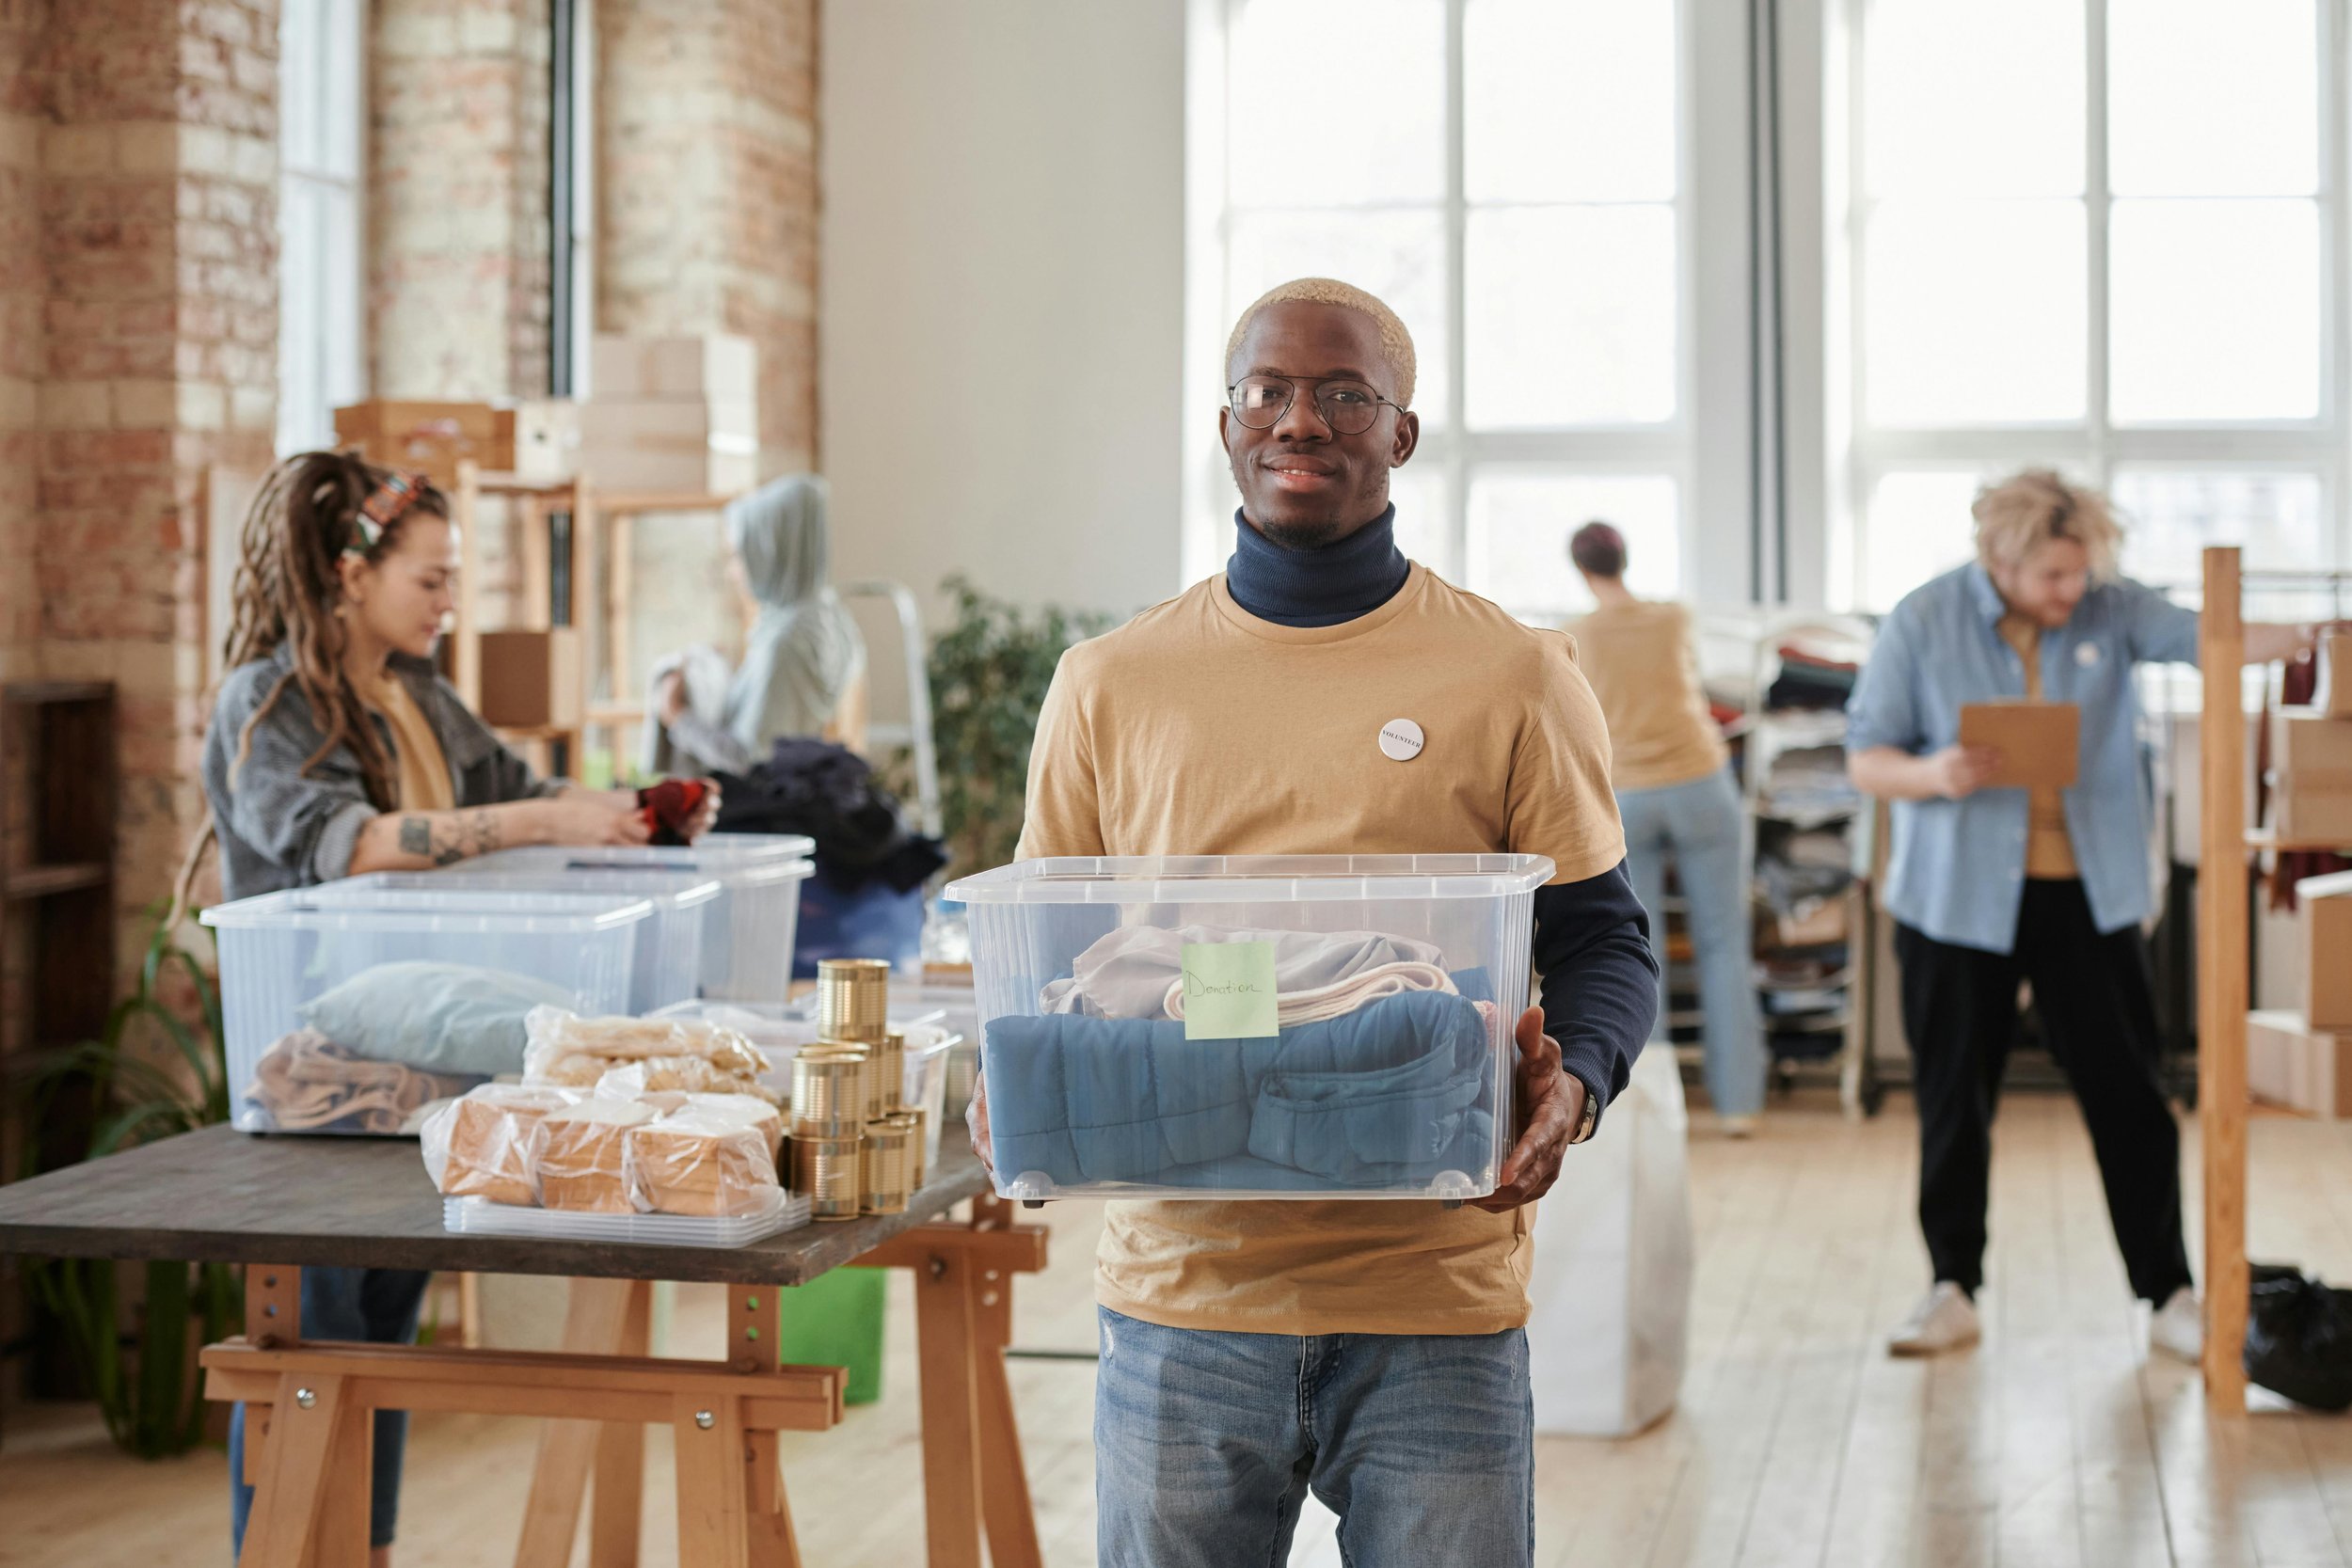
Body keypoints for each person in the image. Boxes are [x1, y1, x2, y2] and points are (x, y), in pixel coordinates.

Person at [967, 277, 1659, 1567]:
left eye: (1345, 393)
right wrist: (1000, 1078)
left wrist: (1582, 1087)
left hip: (1434, 1292)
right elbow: (1050, 959)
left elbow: (1604, 938)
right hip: (1185, 1288)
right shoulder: (1110, 681)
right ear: (1226, 421)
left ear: (1400, 433)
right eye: (1270, 390)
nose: (1302, 419)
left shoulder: (1515, 670)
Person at [190, 451, 716, 1567]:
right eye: (430, 579)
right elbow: (355, 848)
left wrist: (629, 812)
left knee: (382, 1331)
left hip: (414, 1071)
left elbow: (517, 794)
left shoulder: (415, 695)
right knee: (312, 1339)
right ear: (347, 575)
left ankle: (362, 1551)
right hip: (315, 1083)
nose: (449, 601)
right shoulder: (266, 706)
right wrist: (543, 824)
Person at [1846, 468, 2326, 1362]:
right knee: (1955, 1100)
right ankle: (1952, 1285)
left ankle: (2169, 1289)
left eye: (2080, 573)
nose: (2071, 591)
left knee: (2132, 1100)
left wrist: (2310, 635)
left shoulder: (2111, 607)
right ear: (2000, 557)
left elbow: (2208, 638)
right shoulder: (1922, 618)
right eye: (2052, 578)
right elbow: (1867, 755)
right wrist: (1934, 773)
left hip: (2087, 895)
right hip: (1954, 902)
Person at [1567, 521, 1764, 1135]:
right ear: (1626, 558)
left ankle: (1649, 1117)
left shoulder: (1576, 634)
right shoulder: (1675, 617)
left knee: (1635, 956)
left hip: (1627, 792)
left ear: (1581, 569)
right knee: (1725, 942)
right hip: (1701, 781)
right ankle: (1739, 1109)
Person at [647, 471, 867, 777]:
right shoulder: (833, 619)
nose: (733, 573)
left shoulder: (788, 640)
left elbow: (751, 761)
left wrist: (678, 717)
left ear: (770, 551)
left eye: (738, 556)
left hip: (768, 815)